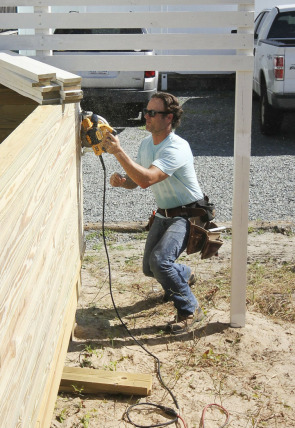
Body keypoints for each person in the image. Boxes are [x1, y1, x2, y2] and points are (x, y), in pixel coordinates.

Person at [103, 92, 206, 334]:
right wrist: (123, 181)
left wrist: (119, 152)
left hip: (187, 214)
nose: (145, 117)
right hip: (165, 213)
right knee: (150, 268)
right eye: (146, 111)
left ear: (168, 118)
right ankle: (186, 275)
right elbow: (138, 179)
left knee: (160, 261)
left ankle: (189, 309)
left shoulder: (177, 147)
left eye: (152, 113)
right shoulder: (146, 144)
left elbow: (148, 179)